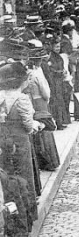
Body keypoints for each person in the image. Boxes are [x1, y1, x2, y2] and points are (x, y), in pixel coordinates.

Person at [0, 62, 41, 204]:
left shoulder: (1, 96)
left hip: (3, 139)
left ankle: (12, 204)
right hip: (20, 140)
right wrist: (36, 125)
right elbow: (28, 126)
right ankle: (27, 205)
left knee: (8, 171)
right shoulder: (21, 98)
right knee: (24, 172)